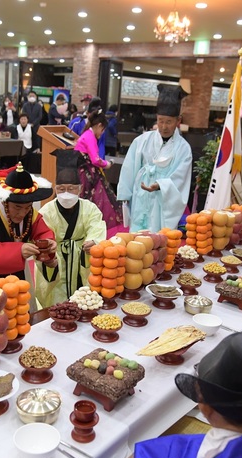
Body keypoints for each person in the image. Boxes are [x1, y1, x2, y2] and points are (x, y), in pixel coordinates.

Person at [117, 84, 192, 232]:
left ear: (178, 121)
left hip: (163, 201)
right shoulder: (142, 140)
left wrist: (160, 185)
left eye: (169, 122)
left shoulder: (183, 148)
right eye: (160, 121)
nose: (164, 126)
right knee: (138, 239)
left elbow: (181, 177)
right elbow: (129, 167)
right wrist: (125, 195)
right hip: (141, 195)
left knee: (160, 238)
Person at [0, 163, 57, 284]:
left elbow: (43, 232)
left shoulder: (31, 214)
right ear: (5, 201)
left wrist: (48, 244)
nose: (22, 213)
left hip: (17, 275)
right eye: (17, 207)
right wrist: (18, 251)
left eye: (28, 207)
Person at [35, 160, 107, 309]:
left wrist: (94, 241)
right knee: (55, 299)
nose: (66, 193)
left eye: (71, 189)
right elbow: (41, 235)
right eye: (61, 189)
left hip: (81, 256)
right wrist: (49, 249)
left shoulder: (89, 208)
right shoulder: (46, 212)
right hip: (57, 259)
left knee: (83, 299)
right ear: (55, 189)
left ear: (80, 189)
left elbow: (97, 226)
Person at [73, 114, 122, 229]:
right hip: (87, 173)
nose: (102, 133)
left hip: (83, 171)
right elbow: (95, 159)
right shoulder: (89, 136)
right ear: (99, 125)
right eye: (103, 129)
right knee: (98, 200)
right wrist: (107, 164)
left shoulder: (86, 134)